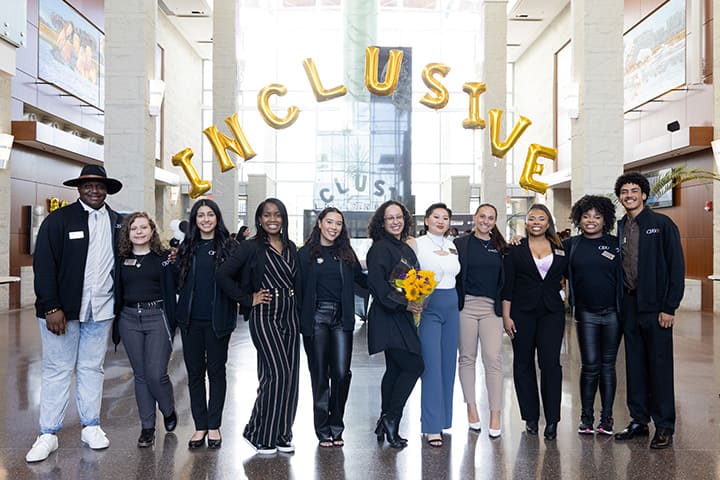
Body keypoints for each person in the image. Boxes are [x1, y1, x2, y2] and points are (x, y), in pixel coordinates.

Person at [28, 165, 124, 463]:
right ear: (79, 188)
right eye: (88, 186)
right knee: (57, 370)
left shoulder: (118, 223)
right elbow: (43, 265)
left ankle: (91, 426)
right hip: (62, 313)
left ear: (106, 188)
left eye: (99, 186)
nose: (94, 191)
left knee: (91, 369)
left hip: (102, 310)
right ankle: (48, 433)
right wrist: (51, 306)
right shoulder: (59, 221)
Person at [216, 198, 300, 455]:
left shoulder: (291, 246)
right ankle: (258, 433)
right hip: (265, 312)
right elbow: (223, 275)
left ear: (283, 218)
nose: (272, 219)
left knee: (291, 377)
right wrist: (246, 299)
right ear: (259, 219)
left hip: (290, 313)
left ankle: (282, 433)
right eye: (267, 215)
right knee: (278, 374)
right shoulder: (250, 247)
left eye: (277, 215)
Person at [613, 172, 684, 449]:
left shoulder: (662, 224)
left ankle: (664, 425)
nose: (629, 195)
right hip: (629, 305)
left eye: (634, 191)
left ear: (644, 194)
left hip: (656, 309)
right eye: (624, 191)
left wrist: (670, 307)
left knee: (660, 366)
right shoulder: (620, 227)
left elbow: (676, 267)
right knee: (635, 365)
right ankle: (639, 420)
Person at [297, 207, 367, 448]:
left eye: (338, 223)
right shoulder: (305, 254)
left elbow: (362, 279)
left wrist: (391, 282)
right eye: (329, 222)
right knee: (319, 375)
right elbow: (296, 288)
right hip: (316, 319)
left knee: (340, 373)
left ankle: (336, 424)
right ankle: (322, 429)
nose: (334, 227)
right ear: (319, 223)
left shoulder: (346, 254)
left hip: (341, 319)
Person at [502, 203, 568, 440]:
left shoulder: (560, 248)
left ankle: (552, 420)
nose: (536, 222)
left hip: (552, 312)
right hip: (521, 312)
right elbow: (507, 285)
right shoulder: (515, 249)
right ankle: (530, 416)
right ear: (526, 223)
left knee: (551, 363)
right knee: (523, 363)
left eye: (541, 218)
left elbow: (571, 276)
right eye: (532, 219)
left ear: (548, 223)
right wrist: (506, 316)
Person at [112, 212, 178, 448]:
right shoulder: (121, 259)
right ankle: (147, 427)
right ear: (127, 234)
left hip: (157, 317)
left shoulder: (164, 258)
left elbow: (177, 281)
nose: (138, 232)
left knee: (156, 374)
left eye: (143, 227)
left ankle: (168, 410)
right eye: (133, 229)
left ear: (152, 231)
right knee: (140, 376)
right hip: (128, 319)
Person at [175, 199, 237, 450]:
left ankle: (214, 425)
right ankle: (200, 425)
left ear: (217, 217)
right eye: (200, 215)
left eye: (210, 214)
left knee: (216, 372)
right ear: (194, 220)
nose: (205, 219)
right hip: (190, 321)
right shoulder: (186, 247)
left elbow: (239, 280)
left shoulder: (229, 246)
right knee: (195, 374)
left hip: (218, 321)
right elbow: (177, 279)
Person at [366, 200, 424, 449]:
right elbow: (379, 288)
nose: (395, 221)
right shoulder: (379, 249)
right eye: (390, 218)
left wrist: (417, 296)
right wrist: (405, 304)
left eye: (398, 217)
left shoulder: (405, 249)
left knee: (395, 370)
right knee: (414, 365)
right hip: (388, 315)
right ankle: (392, 417)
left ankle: (384, 420)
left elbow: (413, 280)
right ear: (382, 222)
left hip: (402, 316)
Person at [563, 196, 622, 436]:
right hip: (585, 313)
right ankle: (586, 417)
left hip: (613, 314)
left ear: (605, 220)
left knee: (608, 366)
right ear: (579, 218)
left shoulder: (616, 244)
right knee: (589, 366)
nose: (591, 221)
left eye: (597, 217)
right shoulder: (570, 245)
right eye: (586, 216)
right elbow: (540, 252)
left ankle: (606, 418)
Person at [407, 203, 460, 448]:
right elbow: (402, 275)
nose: (441, 221)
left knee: (448, 365)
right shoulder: (416, 243)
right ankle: (431, 426)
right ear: (427, 220)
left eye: (445, 217)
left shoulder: (451, 245)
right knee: (431, 366)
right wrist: (412, 299)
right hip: (429, 305)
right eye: (436, 217)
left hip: (452, 305)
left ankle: (444, 419)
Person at [454, 203, 508, 439]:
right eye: (482, 216)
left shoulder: (502, 247)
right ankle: (471, 408)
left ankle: (495, 413)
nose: (486, 221)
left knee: (493, 359)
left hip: (491, 309)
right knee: (466, 358)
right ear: (475, 218)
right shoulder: (460, 244)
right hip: (465, 306)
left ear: (495, 222)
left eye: (491, 218)